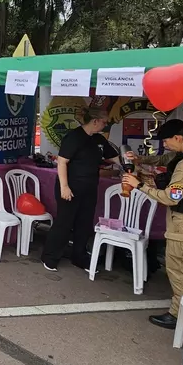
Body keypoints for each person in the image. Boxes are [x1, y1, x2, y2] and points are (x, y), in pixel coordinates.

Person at [122, 119, 183, 329]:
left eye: (166, 141)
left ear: (178, 138)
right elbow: (163, 158)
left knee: (180, 269)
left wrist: (138, 185)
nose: (165, 145)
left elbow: (171, 197)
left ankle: (180, 316)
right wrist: (138, 159)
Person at [41, 109, 118, 272]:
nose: (106, 125)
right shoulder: (74, 137)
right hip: (71, 186)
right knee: (64, 222)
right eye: (104, 122)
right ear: (95, 121)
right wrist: (64, 187)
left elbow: (114, 157)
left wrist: (128, 161)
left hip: (90, 187)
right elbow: (62, 162)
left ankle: (79, 257)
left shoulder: (98, 139)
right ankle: (50, 257)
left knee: (84, 223)